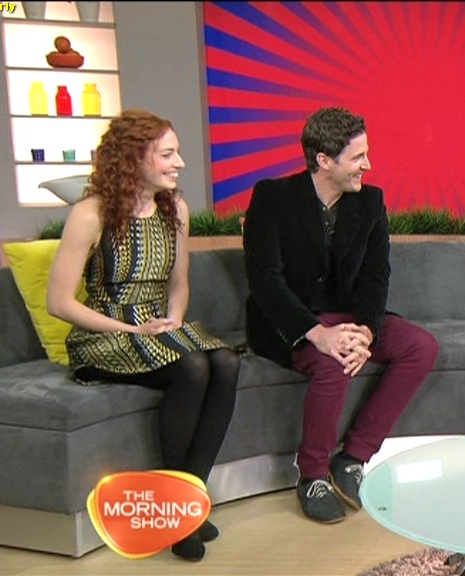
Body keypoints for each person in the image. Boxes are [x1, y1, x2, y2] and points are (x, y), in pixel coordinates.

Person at [47, 109, 240, 562]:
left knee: (226, 362)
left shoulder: (176, 211)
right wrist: (132, 328)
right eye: (168, 154)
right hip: (105, 333)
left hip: (157, 328)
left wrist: (173, 320)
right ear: (134, 158)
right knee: (193, 367)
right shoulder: (90, 214)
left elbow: (179, 283)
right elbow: (59, 303)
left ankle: (187, 504)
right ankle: (179, 509)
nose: (180, 164)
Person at [243, 107, 439, 525]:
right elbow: (265, 281)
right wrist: (316, 333)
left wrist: (365, 331)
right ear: (324, 160)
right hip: (290, 321)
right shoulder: (272, 198)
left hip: (349, 316)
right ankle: (312, 476)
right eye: (358, 157)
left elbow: (375, 275)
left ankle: (352, 458)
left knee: (419, 347)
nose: (368, 165)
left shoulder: (370, 202)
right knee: (332, 362)